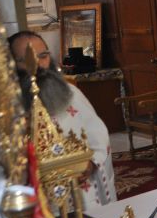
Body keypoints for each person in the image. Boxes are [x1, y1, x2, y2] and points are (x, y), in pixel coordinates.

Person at [8, 31, 117, 208]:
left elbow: (97, 133)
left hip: (79, 192)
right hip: (33, 200)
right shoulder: (4, 109)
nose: (38, 65)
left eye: (43, 56)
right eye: (26, 59)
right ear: (11, 64)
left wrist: (92, 163)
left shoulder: (71, 94)